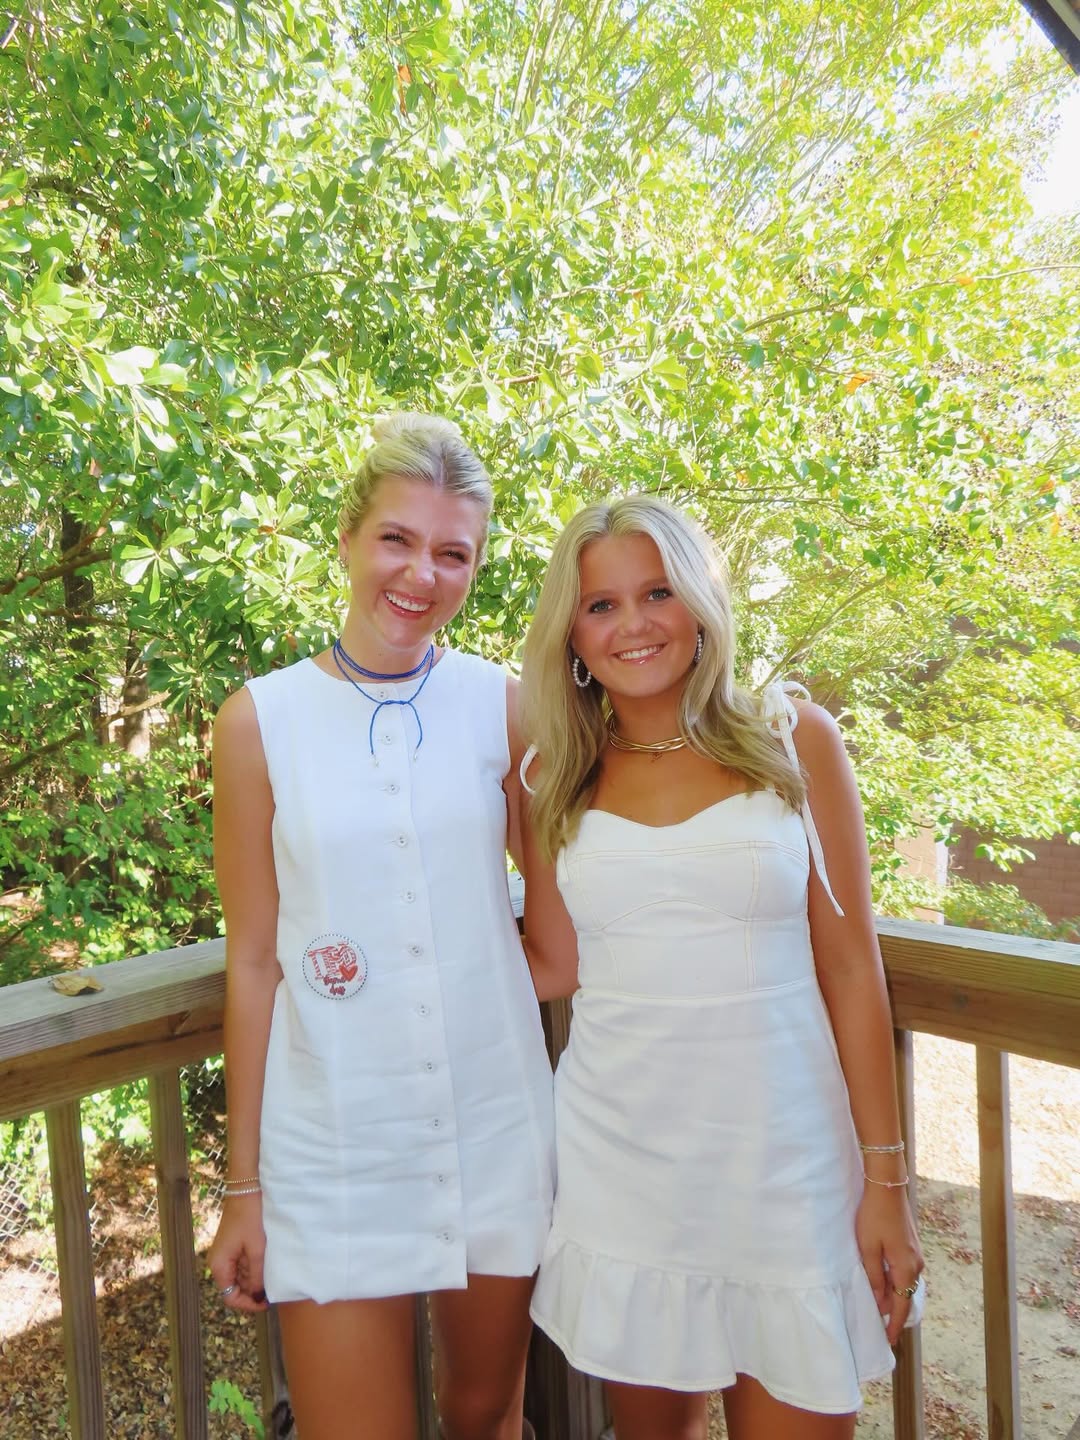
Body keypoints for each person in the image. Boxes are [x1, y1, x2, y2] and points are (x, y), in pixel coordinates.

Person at [517, 495, 924, 1440]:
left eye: (657, 592)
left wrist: (886, 1181)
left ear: (700, 603)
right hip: (623, 1165)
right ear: (573, 635)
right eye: (602, 605)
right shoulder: (552, 778)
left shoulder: (793, 740)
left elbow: (851, 969)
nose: (634, 624)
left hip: (788, 1165)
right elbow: (552, 965)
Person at [207, 413, 554, 1440]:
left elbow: (559, 937)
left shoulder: (505, 706)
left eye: (454, 552)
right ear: (348, 540)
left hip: (493, 1123)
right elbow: (255, 964)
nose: (421, 573)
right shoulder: (258, 720)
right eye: (397, 539)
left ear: (476, 567)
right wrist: (243, 1188)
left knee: (486, 1418)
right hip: (334, 1140)